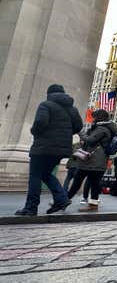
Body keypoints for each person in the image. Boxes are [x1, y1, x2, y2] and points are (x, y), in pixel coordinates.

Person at [16, 84, 84, 216]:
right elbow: (78, 126)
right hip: (61, 149)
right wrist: (64, 135)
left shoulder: (46, 105)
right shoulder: (72, 109)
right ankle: (61, 199)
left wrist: (34, 132)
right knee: (45, 173)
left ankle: (31, 208)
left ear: (49, 94)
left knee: (35, 175)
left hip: (43, 147)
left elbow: (40, 122)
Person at [66, 109, 117, 212]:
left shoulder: (102, 129)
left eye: (94, 117)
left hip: (94, 160)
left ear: (99, 118)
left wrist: (80, 133)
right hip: (95, 161)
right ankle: (67, 200)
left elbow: (91, 140)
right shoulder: (104, 128)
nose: (92, 119)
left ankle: (65, 200)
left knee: (82, 181)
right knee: (88, 182)